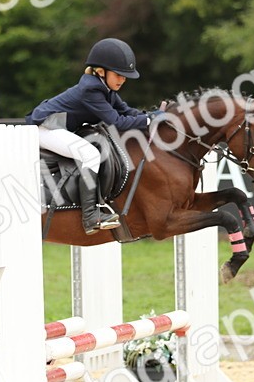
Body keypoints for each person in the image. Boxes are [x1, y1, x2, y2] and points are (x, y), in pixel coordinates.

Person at [26, 37, 163, 235]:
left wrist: (149, 115)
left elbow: (126, 111)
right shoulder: (91, 89)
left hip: (59, 128)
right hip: (45, 129)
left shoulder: (105, 88)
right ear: (101, 71)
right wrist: (149, 122)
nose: (122, 80)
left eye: (125, 76)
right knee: (89, 154)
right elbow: (117, 122)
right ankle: (90, 216)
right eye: (119, 75)